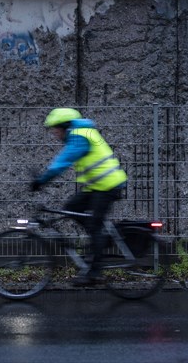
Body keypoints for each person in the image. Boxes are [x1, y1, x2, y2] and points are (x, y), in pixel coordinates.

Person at [30, 108, 128, 286]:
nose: (54, 134)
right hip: (97, 186)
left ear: (65, 126)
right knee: (71, 208)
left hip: (108, 186)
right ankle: (98, 242)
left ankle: (94, 272)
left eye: (56, 129)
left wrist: (42, 180)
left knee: (94, 224)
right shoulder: (80, 133)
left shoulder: (80, 136)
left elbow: (63, 161)